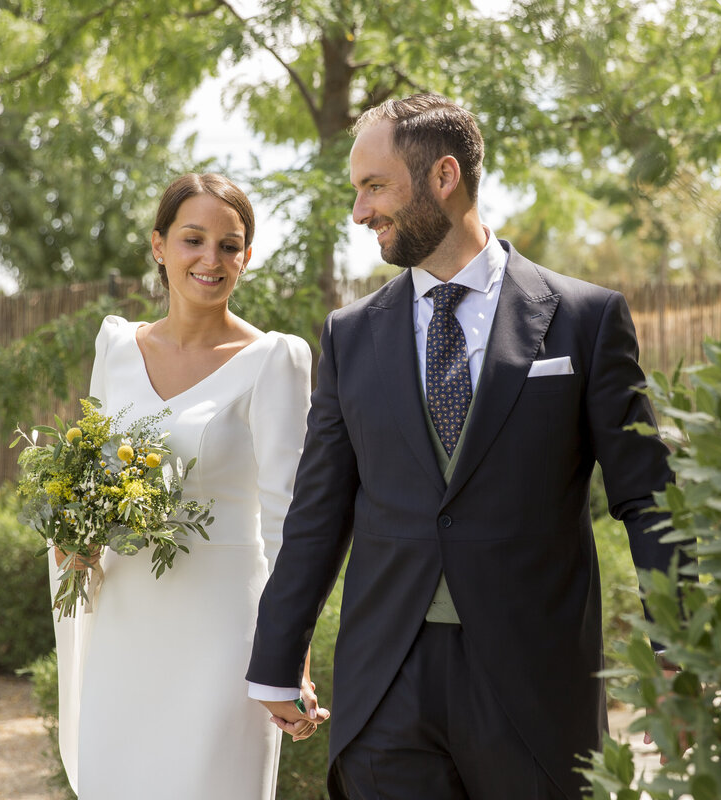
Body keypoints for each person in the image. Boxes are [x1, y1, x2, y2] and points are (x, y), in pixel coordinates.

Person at [246, 94, 681, 799]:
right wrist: (277, 657)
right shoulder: (350, 336)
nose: (359, 213)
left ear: (443, 177)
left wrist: (676, 645)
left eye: (374, 186)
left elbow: (646, 493)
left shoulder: (585, 319)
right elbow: (319, 508)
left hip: (534, 685)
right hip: (386, 682)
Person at [50, 172, 320, 799]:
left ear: (247, 258)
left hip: (226, 630)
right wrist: (73, 537)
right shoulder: (116, 346)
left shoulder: (275, 360)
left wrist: (291, 656)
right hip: (124, 617)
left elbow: (289, 521)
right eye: (193, 239)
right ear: (159, 245)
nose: (211, 259)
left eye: (230, 246)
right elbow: (91, 469)